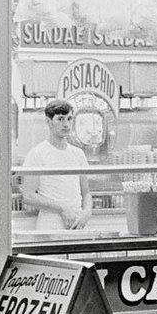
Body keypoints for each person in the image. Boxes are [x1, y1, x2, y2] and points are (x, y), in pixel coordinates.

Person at [20, 99, 92, 233]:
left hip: (79, 224)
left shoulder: (78, 154)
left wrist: (87, 212)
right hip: (51, 224)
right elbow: (28, 196)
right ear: (48, 121)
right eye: (60, 119)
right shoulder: (37, 154)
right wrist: (62, 208)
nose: (66, 124)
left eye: (69, 119)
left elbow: (86, 192)